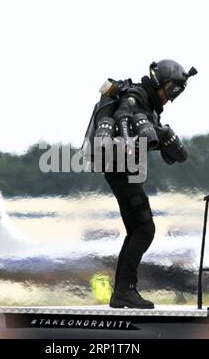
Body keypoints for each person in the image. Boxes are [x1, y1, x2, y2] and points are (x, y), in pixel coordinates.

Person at [82, 60, 197, 308]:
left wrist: (161, 136)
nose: (170, 97)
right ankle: (125, 290)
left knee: (138, 229)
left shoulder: (147, 102)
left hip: (122, 170)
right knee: (145, 229)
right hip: (119, 169)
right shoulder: (136, 96)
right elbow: (125, 115)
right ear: (160, 83)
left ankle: (123, 291)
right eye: (171, 90)